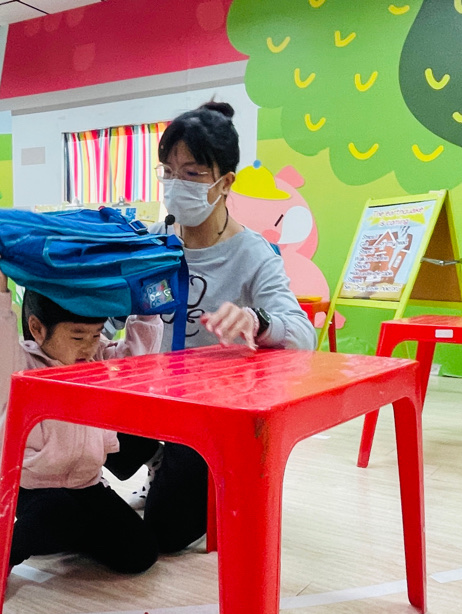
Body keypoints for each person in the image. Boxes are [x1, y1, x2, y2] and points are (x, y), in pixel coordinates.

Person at [104, 101, 316, 552]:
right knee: (72, 451)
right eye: (168, 172)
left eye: (192, 174)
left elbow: (303, 334)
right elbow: (113, 316)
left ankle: (194, 473)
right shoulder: (153, 244)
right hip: (146, 400)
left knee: (166, 534)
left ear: (225, 182)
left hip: (207, 416)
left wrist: (256, 321)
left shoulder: (252, 254)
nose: (175, 185)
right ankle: (155, 457)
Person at [0, 241, 163, 602]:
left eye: (96, 334)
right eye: (77, 336)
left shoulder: (98, 362)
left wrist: (147, 306)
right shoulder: (19, 368)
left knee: (140, 554)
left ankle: (64, 532)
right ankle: (1, 553)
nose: (89, 346)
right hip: (35, 491)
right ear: (37, 328)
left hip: (87, 485)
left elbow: (139, 359)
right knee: (55, 512)